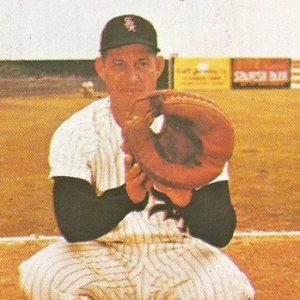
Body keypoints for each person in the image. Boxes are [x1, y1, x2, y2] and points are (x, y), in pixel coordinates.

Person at [19, 14, 254, 299]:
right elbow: (73, 225)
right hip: (102, 255)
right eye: (119, 64)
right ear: (101, 67)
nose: (132, 76)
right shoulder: (76, 131)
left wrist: (185, 198)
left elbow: (220, 233)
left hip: (176, 255)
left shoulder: (195, 129)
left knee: (226, 286)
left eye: (142, 63)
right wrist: (127, 197)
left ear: (158, 65)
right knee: (41, 276)